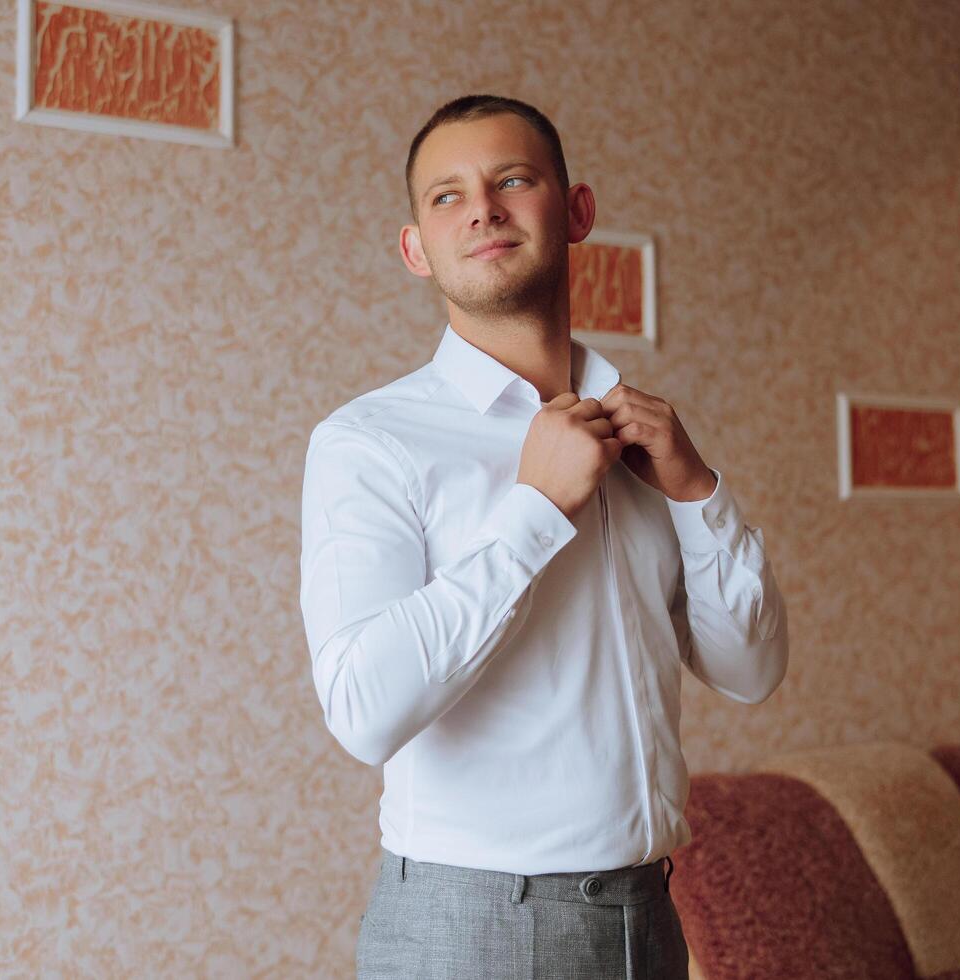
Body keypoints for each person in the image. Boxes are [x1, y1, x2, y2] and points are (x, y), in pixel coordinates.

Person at [297, 94, 789, 979]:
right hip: (475, 930)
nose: (481, 207)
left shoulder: (643, 439)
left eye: (512, 179)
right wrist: (534, 511)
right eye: (445, 196)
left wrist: (694, 489)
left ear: (576, 211)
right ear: (417, 248)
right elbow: (361, 712)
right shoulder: (368, 442)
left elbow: (751, 672)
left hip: (648, 921)